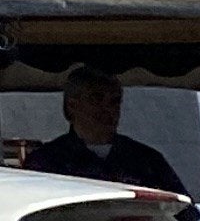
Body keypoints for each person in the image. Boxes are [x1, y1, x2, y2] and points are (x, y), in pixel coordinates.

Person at [19, 68, 187, 197]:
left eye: (115, 101)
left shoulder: (147, 161)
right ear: (72, 105)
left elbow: (185, 216)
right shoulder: (45, 164)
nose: (108, 109)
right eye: (96, 99)